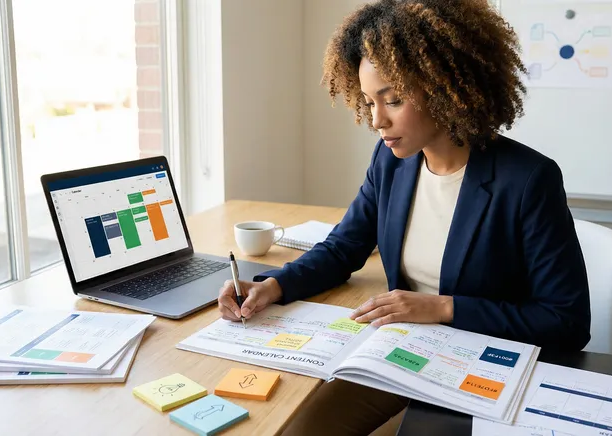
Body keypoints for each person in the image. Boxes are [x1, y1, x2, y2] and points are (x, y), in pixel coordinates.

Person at [217, 0, 591, 434]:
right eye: (368, 101)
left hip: (484, 359)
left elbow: (566, 321)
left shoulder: (528, 179)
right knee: (298, 428)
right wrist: (274, 285)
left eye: (392, 99)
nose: (377, 120)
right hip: (403, 349)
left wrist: (443, 308)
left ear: (445, 85)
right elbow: (343, 247)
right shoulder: (392, 160)